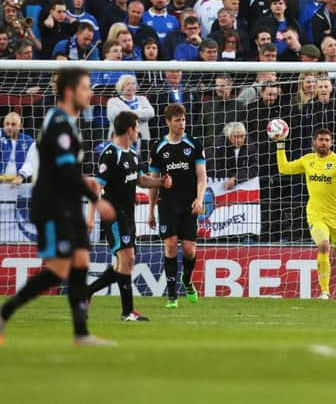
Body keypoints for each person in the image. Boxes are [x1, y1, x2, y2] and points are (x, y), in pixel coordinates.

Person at [0, 68, 116, 346]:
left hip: (67, 203)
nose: (90, 93)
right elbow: (64, 171)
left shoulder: (69, 122)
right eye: (86, 87)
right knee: (60, 269)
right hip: (52, 205)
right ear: (69, 91)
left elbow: (65, 168)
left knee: (80, 262)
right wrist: (97, 200)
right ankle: (5, 313)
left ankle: (81, 334)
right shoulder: (59, 123)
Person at [87, 112, 172, 321]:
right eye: (137, 127)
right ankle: (128, 312)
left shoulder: (133, 153)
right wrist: (90, 216)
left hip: (129, 214)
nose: (139, 131)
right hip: (114, 215)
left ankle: (86, 292)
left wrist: (160, 182)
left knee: (124, 262)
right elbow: (96, 186)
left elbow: (141, 180)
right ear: (129, 130)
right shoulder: (110, 153)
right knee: (128, 259)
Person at [275, 128, 336, 299]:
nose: (324, 143)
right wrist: (280, 144)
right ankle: (325, 292)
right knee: (324, 245)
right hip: (316, 214)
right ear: (314, 142)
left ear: (331, 143)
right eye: (321, 139)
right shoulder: (308, 160)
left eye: (327, 140)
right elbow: (284, 168)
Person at [148, 103, 207, 308]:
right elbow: (153, 181)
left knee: (189, 250)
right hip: (167, 203)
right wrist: (150, 211)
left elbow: (202, 176)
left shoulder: (194, 144)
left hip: (189, 202)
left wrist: (200, 199)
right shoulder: (158, 147)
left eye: (183, 120)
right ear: (168, 122)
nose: (182, 124)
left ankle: (187, 280)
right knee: (171, 245)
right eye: (177, 120)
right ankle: (172, 295)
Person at [205, 121, 258, 189]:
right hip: (219, 187)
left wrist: (236, 178)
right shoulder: (218, 146)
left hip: (242, 186)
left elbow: (254, 169)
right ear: (228, 136)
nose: (239, 140)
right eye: (235, 137)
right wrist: (233, 177)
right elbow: (212, 169)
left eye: (242, 136)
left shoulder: (250, 146)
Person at [0, 112, 37, 186]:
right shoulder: (1, 135)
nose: (9, 127)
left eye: (13, 124)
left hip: (20, 185)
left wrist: (21, 176)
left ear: (20, 126)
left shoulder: (28, 141)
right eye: (7, 124)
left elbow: (31, 162)